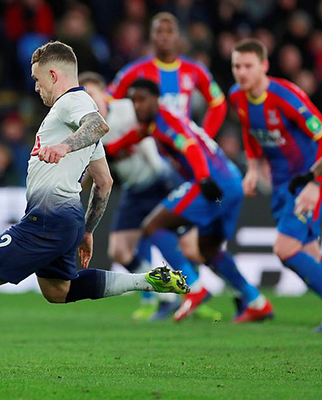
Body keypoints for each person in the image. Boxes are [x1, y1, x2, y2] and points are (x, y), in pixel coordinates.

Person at [0, 42, 189, 373]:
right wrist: (87, 230)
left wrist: (63, 147)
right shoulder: (70, 115)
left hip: (48, 219)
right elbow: (104, 181)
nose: (37, 88)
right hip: (66, 219)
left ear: (54, 74)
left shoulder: (74, 102)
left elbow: (99, 126)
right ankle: (147, 281)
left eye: (38, 80)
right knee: (58, 291)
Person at [119, 78, 272, 323]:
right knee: (208, 250)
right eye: (133, 100)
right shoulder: (154, 124)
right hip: (231, 180)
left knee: (153, 227)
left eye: (142, 100)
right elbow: (135, 136)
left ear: (156, 100)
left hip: (213, 180)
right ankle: (255, 301)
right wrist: (109, 148)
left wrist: (202, 179)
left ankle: (195, 286)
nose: (137, 106)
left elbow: (191, 147)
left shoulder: (166, 122)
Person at [108, 12, 227, 320]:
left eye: (169, 30)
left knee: (169, 231)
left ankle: (193, 292)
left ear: (178, 36)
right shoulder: (136, 71)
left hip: (182, 163)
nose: (163, 36)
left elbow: (218, 102)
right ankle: (168, 295)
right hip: (151, 162)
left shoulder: (194, 70)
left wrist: (204, 137)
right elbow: (108, 102)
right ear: (151, 36)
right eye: (157, 31)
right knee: (152, 230)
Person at [80, 71, 221, 321]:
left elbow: (147, 137)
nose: (89, 101)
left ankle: (198, 291)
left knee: (185, 244)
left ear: (105, 93)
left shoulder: (128, 108)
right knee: (120, 251)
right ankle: (167, 296)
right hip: (135, 190)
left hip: (159, 181)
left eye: (92, 93)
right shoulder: (86, 130)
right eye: (84, 97)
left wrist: (163, 175)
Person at [229, 38, 322, 332]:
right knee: (309, 255)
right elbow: (250, 132)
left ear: (264, 66)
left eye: (248, 66)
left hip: (310, 178)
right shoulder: (238, 96)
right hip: (281, 183)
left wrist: (314, 183)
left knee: (285, 248)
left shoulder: (286, 96)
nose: (242, 72)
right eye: (237, 66)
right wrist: (251, 168)